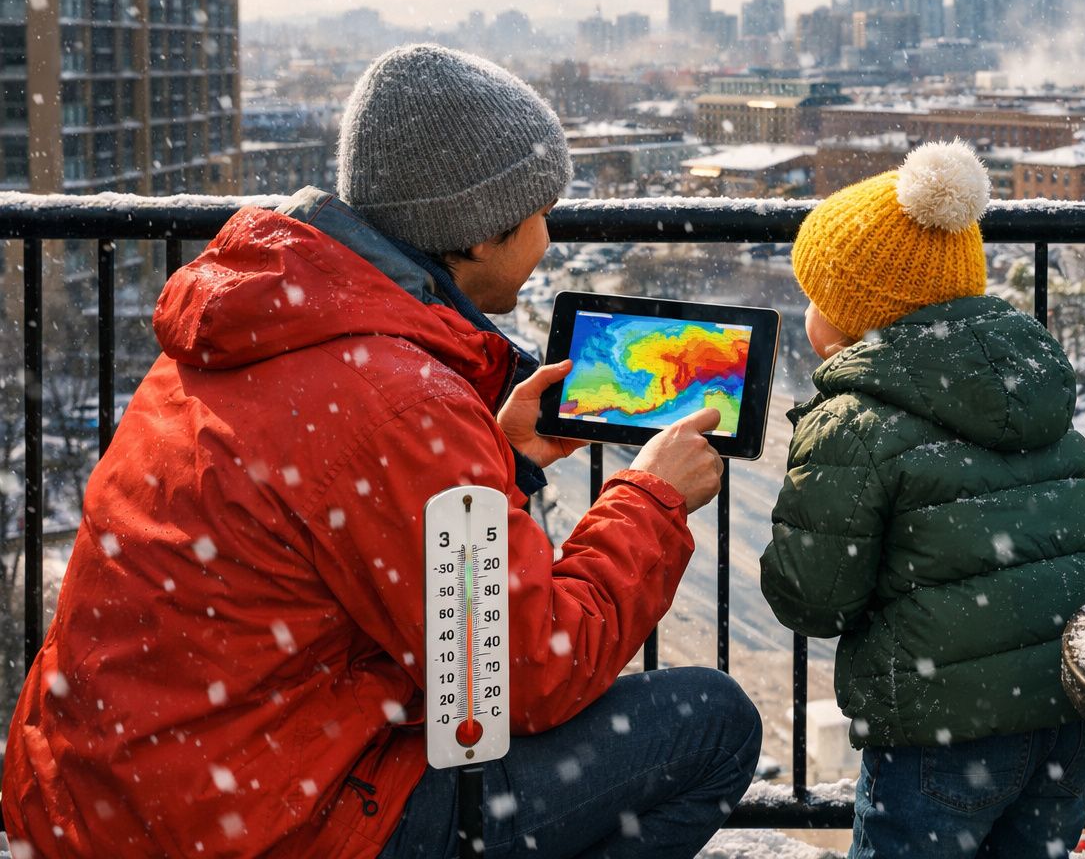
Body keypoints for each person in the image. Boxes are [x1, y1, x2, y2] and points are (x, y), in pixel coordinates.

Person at [2, 44, 761, 858]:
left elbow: (333, 521)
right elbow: (527, 676)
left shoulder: (255, 331)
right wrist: (652, 501)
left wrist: (501, 458)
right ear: (475, 238)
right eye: (541, 211)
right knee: (712, 724)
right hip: (268, 828)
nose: (550, 234)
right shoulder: (402, 404)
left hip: (108, 797)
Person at [758, 141, 1085, 859]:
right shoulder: (1029, 380)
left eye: (816, 294)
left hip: (945, 730)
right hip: (1071, 707)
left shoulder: (853, 420)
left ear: (850, 318)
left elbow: (813, 599)